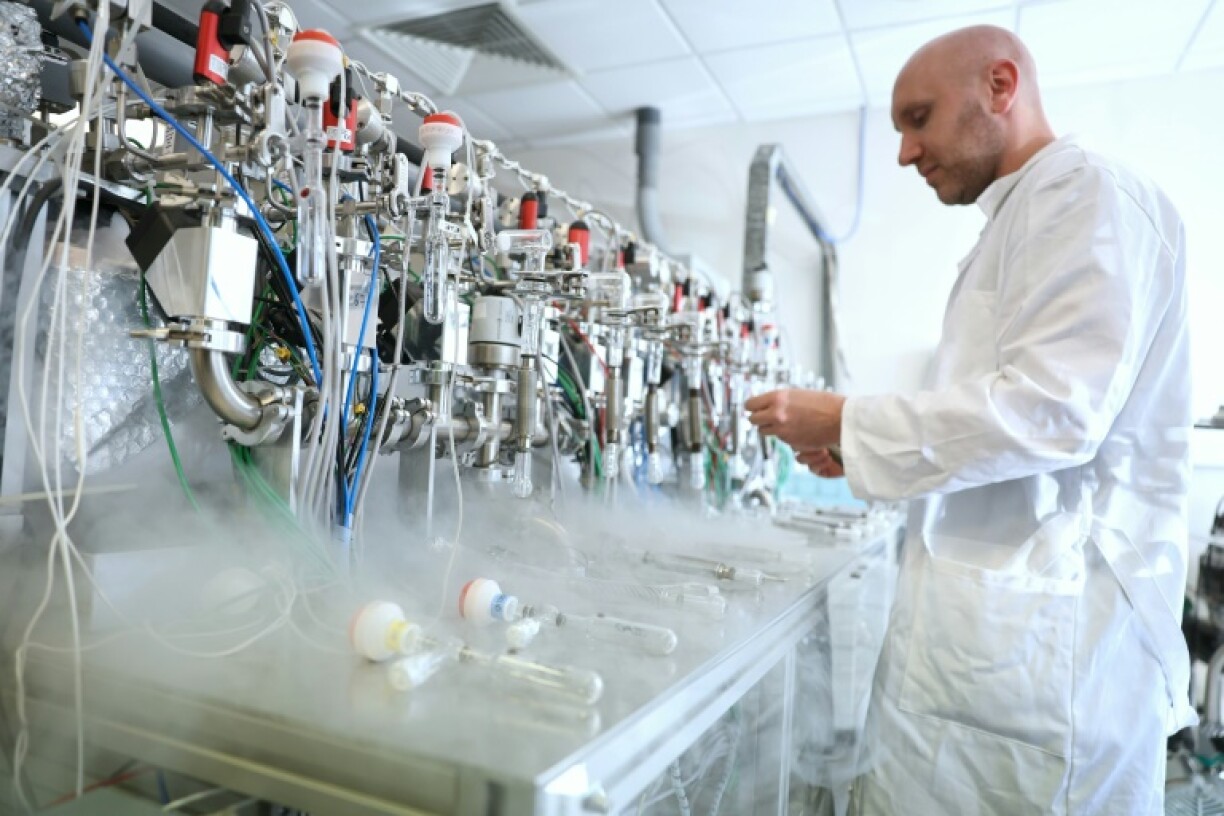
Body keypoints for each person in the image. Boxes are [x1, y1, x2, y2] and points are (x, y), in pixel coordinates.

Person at [747, 25, 1194, 815]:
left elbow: (1055, 412)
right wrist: (859, 454)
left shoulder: (1086, 194)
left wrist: (850, 421)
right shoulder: (1022, 220)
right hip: (988, 664)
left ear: (1000, 85)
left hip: (1046, 676)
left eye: (918, 118)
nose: (905, 153)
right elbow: (1014, 429)